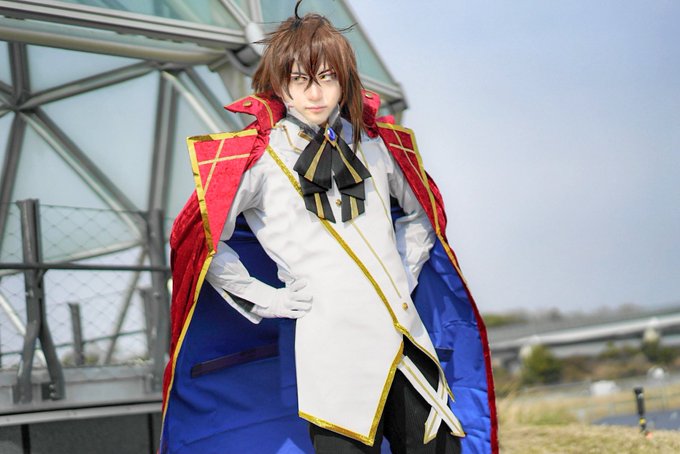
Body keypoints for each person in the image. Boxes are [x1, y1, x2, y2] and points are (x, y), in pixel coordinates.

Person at [160, 8, 497, 454]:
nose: (314, 93)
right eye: (299, 80)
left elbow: (421, 215)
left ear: (344, 79)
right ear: (279, 83)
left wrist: (404, 269)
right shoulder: (259, 159)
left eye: (326, 77)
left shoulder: (376, 144)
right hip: (331, 350)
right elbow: (204, 242)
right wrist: (267, 298)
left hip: (405, 340)